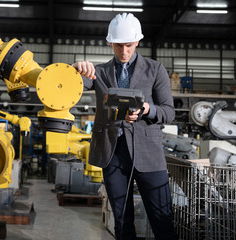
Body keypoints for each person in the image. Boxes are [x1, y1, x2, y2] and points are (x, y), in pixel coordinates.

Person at [72, 13, 178, 240]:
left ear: (137, 42)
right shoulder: (98, 72)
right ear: (111, 43)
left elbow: (169, 112)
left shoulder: (155, 70)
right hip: (113, 154)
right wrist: (75, 68)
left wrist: (147, 110)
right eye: (118, 45)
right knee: (121, 222)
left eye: (128, 46)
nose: (124, 52)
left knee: (162, 220)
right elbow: (73, 84)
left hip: (148, 154)